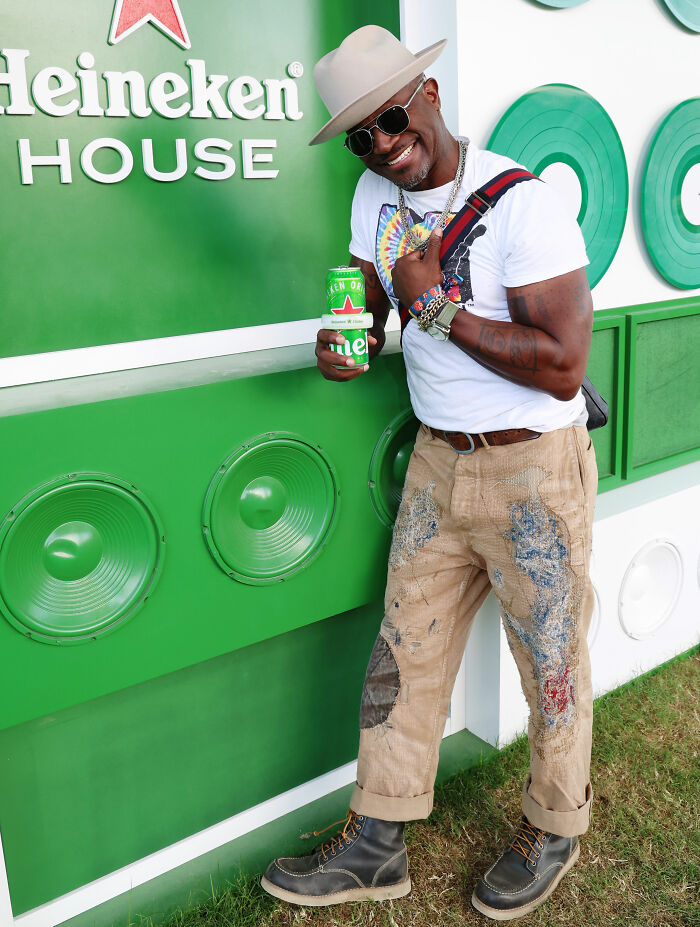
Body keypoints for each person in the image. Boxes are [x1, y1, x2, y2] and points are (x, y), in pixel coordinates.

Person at [261, 25, 597, 921]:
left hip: (535, 469)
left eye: (391, 119)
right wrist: (350, 336)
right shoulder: (373, 196)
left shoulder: (522, 204)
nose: (381, 145)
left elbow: (563, 362)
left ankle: (556, 824)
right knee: (401, 653)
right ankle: (378, 838)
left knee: (551, 655)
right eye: (360, 135)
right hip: (440, 464)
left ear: (431, 96)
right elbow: (368, 300)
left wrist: (434, 309)